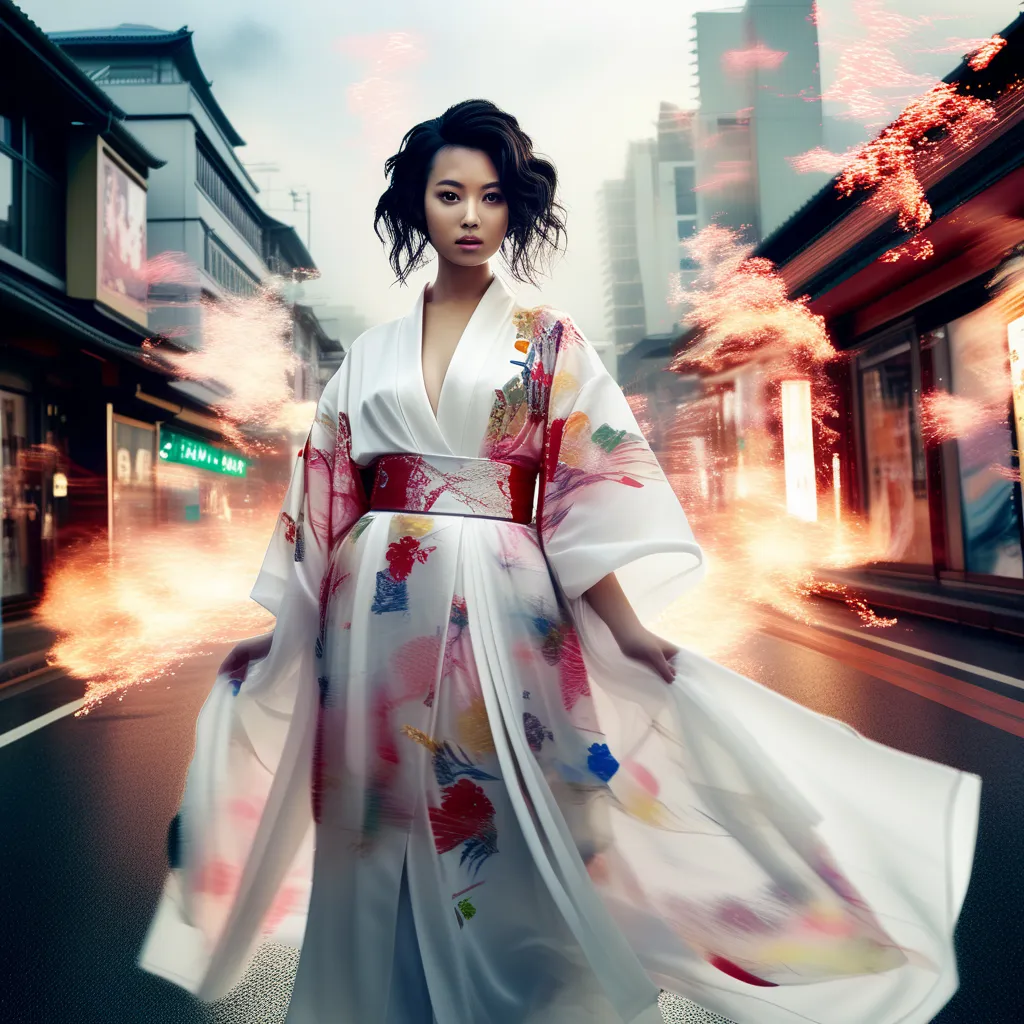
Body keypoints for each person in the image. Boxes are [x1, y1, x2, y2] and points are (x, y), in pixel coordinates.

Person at [138, 100, 980, 1024]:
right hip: (371, 615)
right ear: (417, 205)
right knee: (381, 819)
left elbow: (588, 487)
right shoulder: (366, 358)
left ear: (513, 212)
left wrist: (627, 628)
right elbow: (322, 506)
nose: (468, 215)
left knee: (507, 811)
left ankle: (531, 1001)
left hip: (508, 602)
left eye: (490, 198)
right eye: (448, 194)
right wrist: (279, 639)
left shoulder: (551, 343)